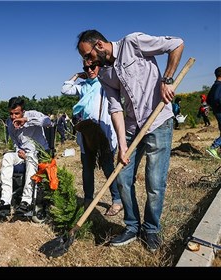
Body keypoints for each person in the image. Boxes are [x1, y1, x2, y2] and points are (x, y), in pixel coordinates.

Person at [77, 30, 184, 253]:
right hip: (132, 127)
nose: (87, 62)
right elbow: (115, 107)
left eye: (88, 56)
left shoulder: (133, 43)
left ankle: (152, 229)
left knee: (154, 182)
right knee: (123, 178)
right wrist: (122, 144)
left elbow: (176, 44)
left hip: (158, 122)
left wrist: (167, 79)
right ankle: (133, 226)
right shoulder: (105, 74)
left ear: (99, 45)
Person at [61, 60, 122, 216]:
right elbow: (65, 89)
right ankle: (88, 199)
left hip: (104, 134)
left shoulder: (105, 83)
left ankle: (117, 200)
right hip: (87, 134)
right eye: (86, 68)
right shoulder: (83, 86)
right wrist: (76, 76)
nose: (89, 70)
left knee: (108, 167)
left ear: (99, 66)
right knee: (87, 169)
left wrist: (101, 73)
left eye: (92, 67)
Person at [0, 97, 52, 216]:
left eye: (16, 113)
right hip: (23, 153)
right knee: (7, 156)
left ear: (23, 111)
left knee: (32, 157)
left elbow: (48, 121)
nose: (13, 117)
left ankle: (26, 201)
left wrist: (26, 120)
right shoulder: (9, 122)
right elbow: (16, 142)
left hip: (39, 153)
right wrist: (19, 151)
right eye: (11, 114)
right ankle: (5, 201)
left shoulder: (32, 114)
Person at [206, 66, 221, 159]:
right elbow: (217, 98)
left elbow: (208, 100)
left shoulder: (214, 85)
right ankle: (213, 147)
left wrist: (214, 107)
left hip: (217, 112)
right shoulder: (219, 85)